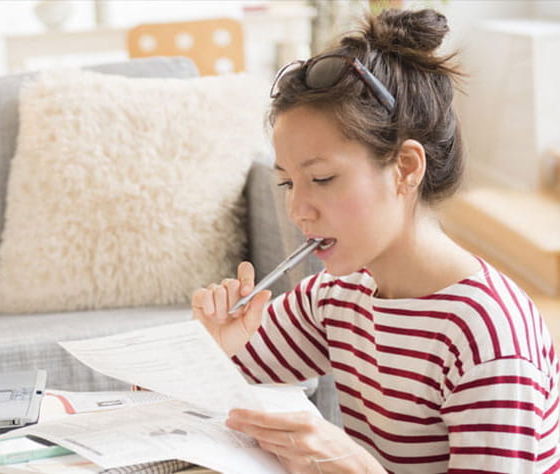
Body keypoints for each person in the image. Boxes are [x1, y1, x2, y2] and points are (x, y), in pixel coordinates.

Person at [192, 8, 559, 474]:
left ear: (406, 168)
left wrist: (356, 467)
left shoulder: (488, 338)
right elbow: (206, 402)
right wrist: (219, 348)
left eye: (322, 178)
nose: (297, 209)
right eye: (288, 183)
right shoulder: (337, 296)